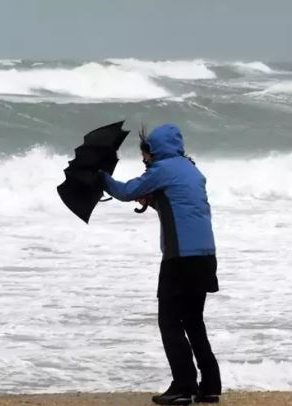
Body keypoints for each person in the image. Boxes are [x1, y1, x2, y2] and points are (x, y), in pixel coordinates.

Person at [100, 124, 221, 405]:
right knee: (193, 320)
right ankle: (210, 385)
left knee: (169, 320)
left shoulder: (162, 170)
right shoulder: (192, 169)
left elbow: (125, 191)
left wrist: (100, 177)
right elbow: (181, 205)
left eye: (145, 155)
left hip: (181, 258)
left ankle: (183, 386)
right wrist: (154, 201)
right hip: (205, 256)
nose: (144, 160)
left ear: (154, 150)